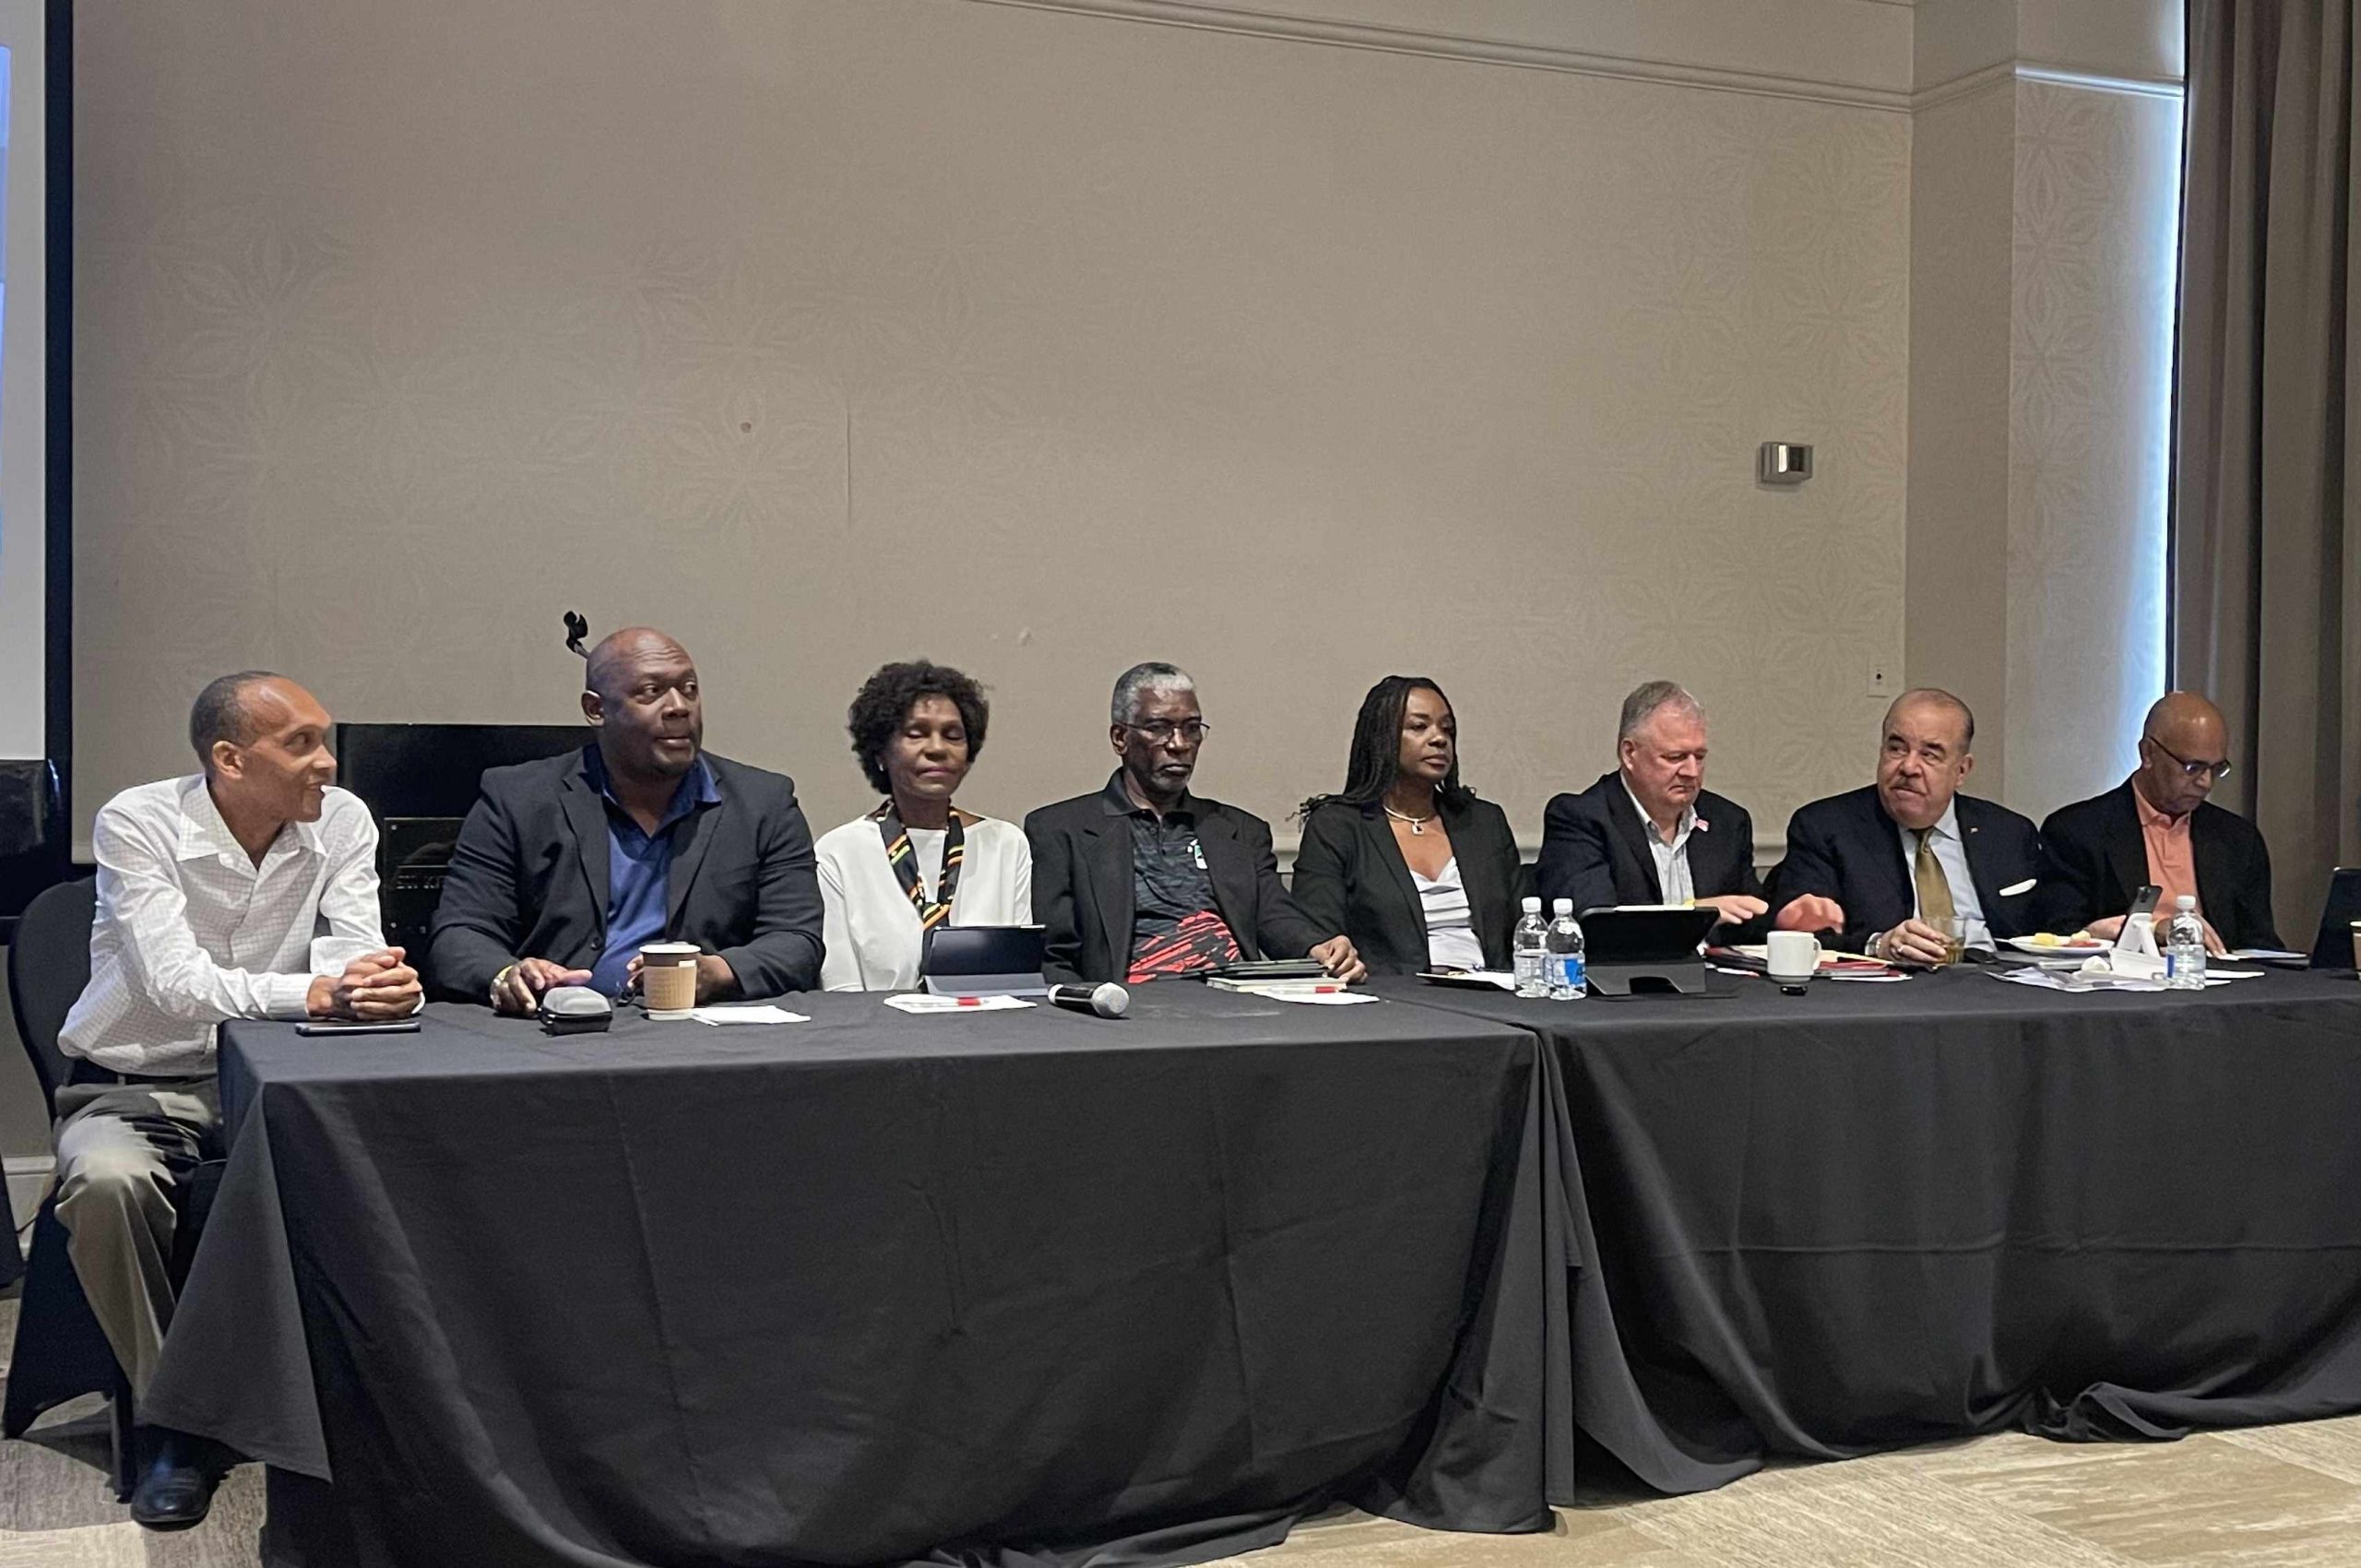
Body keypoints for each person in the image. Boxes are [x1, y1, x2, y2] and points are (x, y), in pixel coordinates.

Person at [53, 671, 421, 1530]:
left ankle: (383, 1403)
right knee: (105, 1183)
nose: (327, 762)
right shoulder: (140, 821)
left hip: (284, 1077)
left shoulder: (343, 820)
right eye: (301, 744)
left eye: (324, 738)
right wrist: (318, 993)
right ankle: (174, 1425)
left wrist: (376, 986)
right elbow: (176, 985)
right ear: (229, 759)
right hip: (141, 1085)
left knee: (400, 1155)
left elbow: (355, 952)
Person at [428, 627, 823, 1008]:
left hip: (700, 1029)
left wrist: (716, 972)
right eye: (652, 692)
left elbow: (797, 940)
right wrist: (508, 975)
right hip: (558, 1029)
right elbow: (459, 936)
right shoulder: (518, 799)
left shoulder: (763, 804)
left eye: (689, 688)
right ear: (596, 709)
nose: (679, 707)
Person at [1025, 662, 1365, 986]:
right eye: (1159, 728)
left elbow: (1274, 916)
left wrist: (1317, 948)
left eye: (1191, 728)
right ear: (1120, 738)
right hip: (1132, 1007)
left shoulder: (1239, 830)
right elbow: (1053, 958)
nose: (1180, 744)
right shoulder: (1062, 830)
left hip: (1239, 999)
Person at [1767, 688, 2051, 963]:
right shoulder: (1827, 827)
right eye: (1897, 749)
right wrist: (1878, 945)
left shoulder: (2009, 833)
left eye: (1930, 755)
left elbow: (2045, 930)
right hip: (1887, 989)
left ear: (1961, 770)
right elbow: (1809, 938)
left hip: (1998, 983)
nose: (1909, 767)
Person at [815, 660, 1033, 990]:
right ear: (880, 753)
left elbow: (1018, 979)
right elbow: (840, 991)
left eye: (953, 736)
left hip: (988, 1020)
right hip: (876, 1022)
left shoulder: (1005, 844)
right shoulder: (840, 853)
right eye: (916, 734)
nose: (937, 749)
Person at [1289, 676, 1521, 974]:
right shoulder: (1338, 827)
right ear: (1382, 738)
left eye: (1447, 729)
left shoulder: (1483, 823)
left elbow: (1522, 928)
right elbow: (1321, 933)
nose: (1439, 739)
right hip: (1391, 994)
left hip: (1491, 989)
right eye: (1419, 727)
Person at [2041, 691, 2281, 954]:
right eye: (2193, 768)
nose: (2205, 783)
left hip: (2215, 973)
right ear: (2148, 754)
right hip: (2120, 974)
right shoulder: (2078, 831)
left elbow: (2260, 945)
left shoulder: (2238, 839)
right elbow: (2061, 934)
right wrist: (2154, 930)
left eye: (2216, 769)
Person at [1535, 681, 1770, 936]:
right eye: (1675, 757)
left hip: (1715, 963)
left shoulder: (1728, 822)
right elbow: (1595, 927)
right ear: (1629, 753)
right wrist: (1693, 915)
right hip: (1627, 963)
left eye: (1699, 757)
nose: (1692, 772)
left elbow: (1752, 926)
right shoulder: (1581, 818)